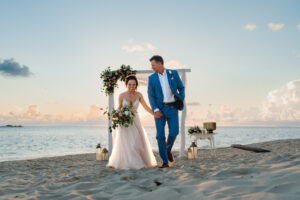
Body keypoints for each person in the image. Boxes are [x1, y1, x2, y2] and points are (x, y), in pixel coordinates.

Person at [107, 75, 157, 169]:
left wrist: (155, 114)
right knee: (126, 143)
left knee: (136, 141)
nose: (132, 86)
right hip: (125, 122)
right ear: (126, 84)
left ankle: (138, 162)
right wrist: (117, 114)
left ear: (136, 85)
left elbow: (146, 107)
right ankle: (127, 163)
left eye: (134, 84)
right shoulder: (122, 95)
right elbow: (119, 107)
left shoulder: (139, 95)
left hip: (135, 120)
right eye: (130, 84)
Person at [147, 55, 185, 168]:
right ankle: (164, 162)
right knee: (160, 136)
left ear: (160, 64)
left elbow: (181, 88)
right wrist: (155, 109)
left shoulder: (173, 73)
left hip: (172, 108)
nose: (152, 67)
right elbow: (151, 95)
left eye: (153, 65)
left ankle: (167, 149)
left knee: (174, 132)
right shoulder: (151, 78)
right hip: (159, 110)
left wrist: (180, 99)